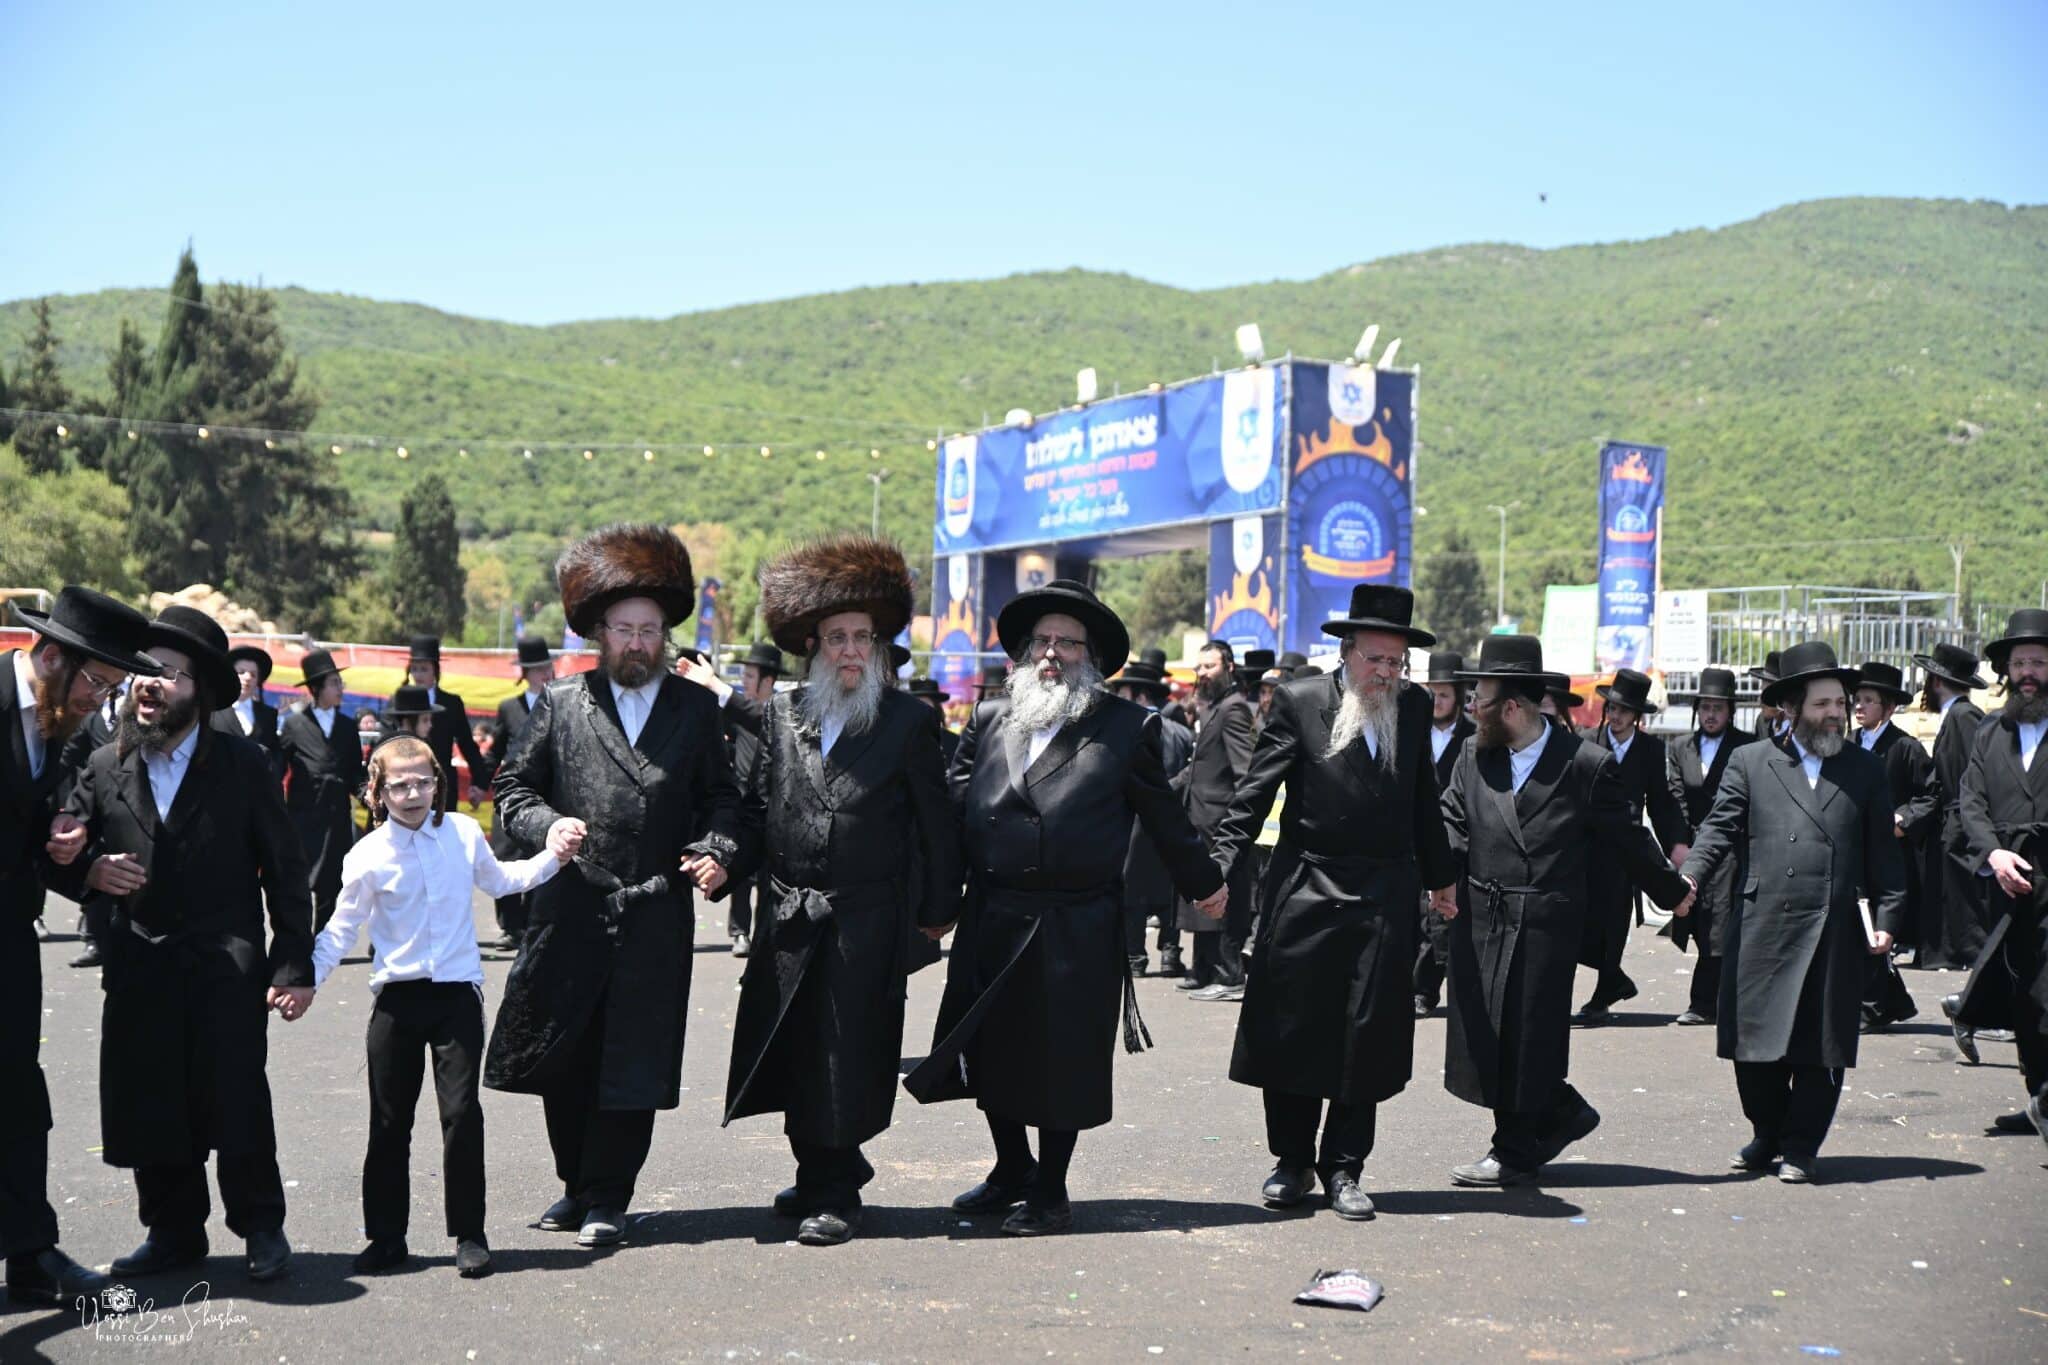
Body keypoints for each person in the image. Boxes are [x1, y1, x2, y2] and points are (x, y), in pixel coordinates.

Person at [905, 580, 1226, 1235]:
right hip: (993, 912)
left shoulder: (1126, 728)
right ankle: (1011, 1168)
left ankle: (1050, 1190)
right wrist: (939, 902)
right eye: (1043, 641)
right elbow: (954, 816)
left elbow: (1165, 818)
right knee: (989, 1050)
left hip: (1075, 921)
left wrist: (1205, 882)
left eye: (1069, 643)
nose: (1053, 653)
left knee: (1061, 1062)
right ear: (1026, 652)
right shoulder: (991, 717)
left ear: (1091, 657)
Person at [485, 523, 743, 1251]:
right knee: (565, 1053)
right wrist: (548, 826)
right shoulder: (562, 702)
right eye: (624, 629)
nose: (636, 642)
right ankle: (575, 1182)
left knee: (633, 1057)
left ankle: (609, 1194)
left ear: (665, 636)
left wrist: (717, 849)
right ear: (599, 633)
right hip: (569, 907)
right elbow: (512, 786)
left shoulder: (695, 710)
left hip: (653, 912)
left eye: (649, 630)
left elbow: (724, 800)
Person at [45, 606, 313, 1281]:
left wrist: (292, 961)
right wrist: (85, 867)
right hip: (140, 964)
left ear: (201, 689)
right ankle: (172, 1232)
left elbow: (285, 869)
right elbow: (61, 845)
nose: (148, 683)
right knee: (152, 1099)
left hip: (225, 963)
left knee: (237, 1099)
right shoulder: (105, 764)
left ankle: (261, 1226)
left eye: (167, 672)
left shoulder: (244, 763)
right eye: (142, 670)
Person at [719, 536, 960, 1247]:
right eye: (837, 638)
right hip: (789, 914)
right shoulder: (781, 714)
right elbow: (754, 810)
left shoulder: (909, 720)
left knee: (846, 1052)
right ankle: (820, 1167)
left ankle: (837, 1192)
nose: (851, 650)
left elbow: (937, 826)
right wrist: (721, 857)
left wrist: (939, 910)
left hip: (866, 920)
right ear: (813, 646)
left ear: (878, 647)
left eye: (862, 637)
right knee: (796, 1046)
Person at [1211, 585, 1455, 1219]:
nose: (1386, 673)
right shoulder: (1300, 702)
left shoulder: (1412, 706)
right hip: (1307, 886)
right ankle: (1291, 1161)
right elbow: (1253, 794)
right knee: (1293, 1027)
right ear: (1346, 652)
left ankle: (1345, 1167)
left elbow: (1423, 800)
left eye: (1396, 662)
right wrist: (1217, 870)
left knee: (1366, 1033)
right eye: (1375, 659)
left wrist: (1442, 879)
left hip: (1384, 893)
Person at [1437, 636, 1693, 1187]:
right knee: (1488, 1035)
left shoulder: (1585, 764)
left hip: (1544, 924)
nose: (1471, 708)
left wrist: (1672, 892)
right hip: (1482, 917)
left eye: (1480, 698)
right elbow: (1452, 821)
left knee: (1528, 1038)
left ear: (1511, 707)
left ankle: (1513, 1150)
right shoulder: (1473, 754)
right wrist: (1434, 879)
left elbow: (1628, 839)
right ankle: (1564, 1112)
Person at [317, 734, 572, 1278]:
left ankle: (470, 1234)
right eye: (398, 785)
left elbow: (502, 880)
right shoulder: (366, 855)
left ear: (439, 783)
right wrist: (303, 981)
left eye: (422, 782)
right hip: (396, 1001)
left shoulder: (461, 833)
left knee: (461, 1115)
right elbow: (341, 928)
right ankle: (387, 1237)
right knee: (389, 1121)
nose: (412, 794)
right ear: (376, 792)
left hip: (456, 996)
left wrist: (554, 857)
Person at [1679, 642, 1907, 1182]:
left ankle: (1802, 1146)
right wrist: (1689, 877)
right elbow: (1717, 829)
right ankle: (1767, 1132)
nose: (1835, 714)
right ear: (1790, 708)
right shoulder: (1751, 762)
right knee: (1752, 1043)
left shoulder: (1865, 769)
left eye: (1840, 703)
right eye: (1822, 704)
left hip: (1833, 926)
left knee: (1820, 1046)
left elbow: (1884, 856)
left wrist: (1888, 920)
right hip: (1762, 923)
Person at [3, 587, 159, 1308]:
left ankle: (30, 1253)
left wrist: (81, 862)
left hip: (9, 938)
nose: (100, 702)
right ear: (51, 657)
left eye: (111, 689)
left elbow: (32, 836)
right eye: (96, 682)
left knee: (18, 1094)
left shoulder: (55, 725)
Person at [1952, 610, 2048, 1142]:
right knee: (2024, 997)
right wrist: (1993, 855)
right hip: (2008, 882)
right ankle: (2038, 1098)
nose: (2028, 672)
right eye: (2020, 663)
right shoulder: (1990, 731)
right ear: (2007, 671)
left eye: (2038, 662)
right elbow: (1971, 802)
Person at [1576, 669, 1692, 1024]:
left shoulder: (1650, 750)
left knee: (1615, 921)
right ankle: (1614, 979)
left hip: (1626, 850)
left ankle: (1603, 993)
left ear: (1637, 715)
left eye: (1624, 710)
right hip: (1587, 847)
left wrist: (1675, 843)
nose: (1616, 715)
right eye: (1612, 707)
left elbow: (1660, 803)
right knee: (1581, 921)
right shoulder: (1586, 742)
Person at [676, 640, 783, 958]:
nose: (745, 682)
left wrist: (713, 683)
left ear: (768, 680)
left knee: (771, 882)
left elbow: (760, 718)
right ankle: (740, 932)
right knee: (740, 872)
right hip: (743, 808)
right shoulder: (736, 715)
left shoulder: (782, 713)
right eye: (743, 675)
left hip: (778, 813)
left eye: (750, 676)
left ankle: (766, 938)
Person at [1665, 667, 1759, 1025]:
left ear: (1730, 711)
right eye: (1705, 707)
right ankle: (1716, 1000)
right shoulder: (1680, 747)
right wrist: (1678, 843)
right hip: (1693, 848)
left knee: (1719, 925)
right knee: (1697, 919)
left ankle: (1706, 1002)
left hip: (1731, 847)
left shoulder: (1747, 745)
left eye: (1718, 707)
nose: (1711, 714)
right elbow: (1675, 797)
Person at [1851, 661, 1937, 1030]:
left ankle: (1872, 1007)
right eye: (1857, 699)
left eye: (1868, 700)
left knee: (1876, 926)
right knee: (1858, 924)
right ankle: (1890, 1002)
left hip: (1889, 852)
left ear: (1888, 707)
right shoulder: (1848, 743)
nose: (1859, 706)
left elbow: (1932, 794)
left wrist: (1903, 820)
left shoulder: (1906, 747)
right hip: (1855, 850)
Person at [1179, 638, 1257, 1000]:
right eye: (1200, 666)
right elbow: (1198, 766)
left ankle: (1229, 976)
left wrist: (1239, 822)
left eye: (1209, 666)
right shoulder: (1213, 707)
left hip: (1222, 822)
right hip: (1200, 818)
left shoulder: (1234, 708)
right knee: (1202, 894)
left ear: (1229, 668)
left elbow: (1245, 772)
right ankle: (1203, 970)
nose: (1202, 673)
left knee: (1225, 898)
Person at [1110, 654, 1195, 977]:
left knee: (1132, 890)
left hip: (1134, 823)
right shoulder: (1182, 733)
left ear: (1141, 695)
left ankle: (1135, 956)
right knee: (1171, 887)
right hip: (1173, 821)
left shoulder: (1128, 730)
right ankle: (1170, 953)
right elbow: (1192, 772)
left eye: (1125, 693)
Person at [1915, 642, 1991, 972]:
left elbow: (1977, 772)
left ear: (1935, 681)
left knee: (1967, 900)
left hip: (1961, 821)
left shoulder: (1964, 716)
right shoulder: (1957, 715)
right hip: (1954, 820)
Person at [480, 635, 559, 953]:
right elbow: (495, 751)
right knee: (507, 856)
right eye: (537, 669)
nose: (544, 674)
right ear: (525, 673)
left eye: (546, 667)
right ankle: (510, 927)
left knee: (545, 857)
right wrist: (480, 784)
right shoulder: (509, 707)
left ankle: (535, 925)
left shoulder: (562, 701)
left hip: (547, 794)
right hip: (513, 793)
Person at [279, 649, 365, 931]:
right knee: (300, 881)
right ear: (316, 688)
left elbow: (354, 772)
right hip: (304, 815)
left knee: (332, 884)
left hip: (337, 815)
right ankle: (299, 939)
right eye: (334, 683)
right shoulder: (294, 724)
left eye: (340, 683)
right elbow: (278, 766)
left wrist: (368, 795)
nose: (340, 688)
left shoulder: (347, 726)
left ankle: (323, 940)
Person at [1415, 650, 1473, 1016]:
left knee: (1444, 917)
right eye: (1432, 693)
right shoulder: (1412, 729)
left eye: (1444, 694)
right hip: (1413, 835)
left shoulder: (1474, 736)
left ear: (1459, 696)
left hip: (1456, 838)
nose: (1437, 701)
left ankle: (1433, 989)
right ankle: (1418, 987)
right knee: (1415, 916)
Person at [395, 636, 487, 810]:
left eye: (424, 669)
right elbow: (387, 741)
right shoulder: (398, 702)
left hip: (442, 786)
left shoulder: (451, 703)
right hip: (407, 785)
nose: (418, 675)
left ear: (435, 671)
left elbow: (467, 743)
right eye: (414, 669)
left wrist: (479, 782)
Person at [212, 644, 284, 783]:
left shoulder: (269, 714)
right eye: (241, 672)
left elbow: (275, 753)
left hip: (257, 787)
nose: (247, 677)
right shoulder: (214, 710)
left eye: (253, 674)